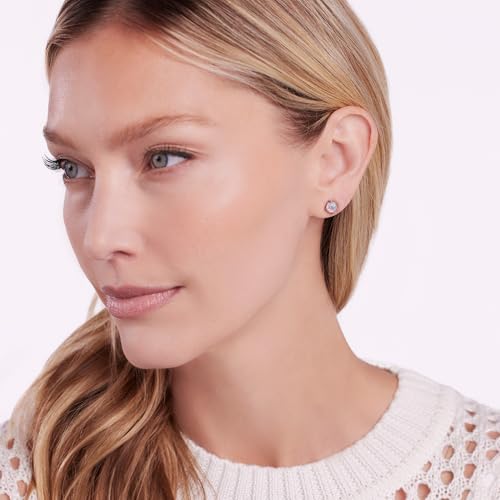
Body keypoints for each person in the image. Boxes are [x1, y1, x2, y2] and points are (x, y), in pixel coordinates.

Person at [1, 0, 499, 499]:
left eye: (165, 157)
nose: (100, 237)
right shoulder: (34, 479)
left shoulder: (481, 478)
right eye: (72, 168)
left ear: (335, 161)